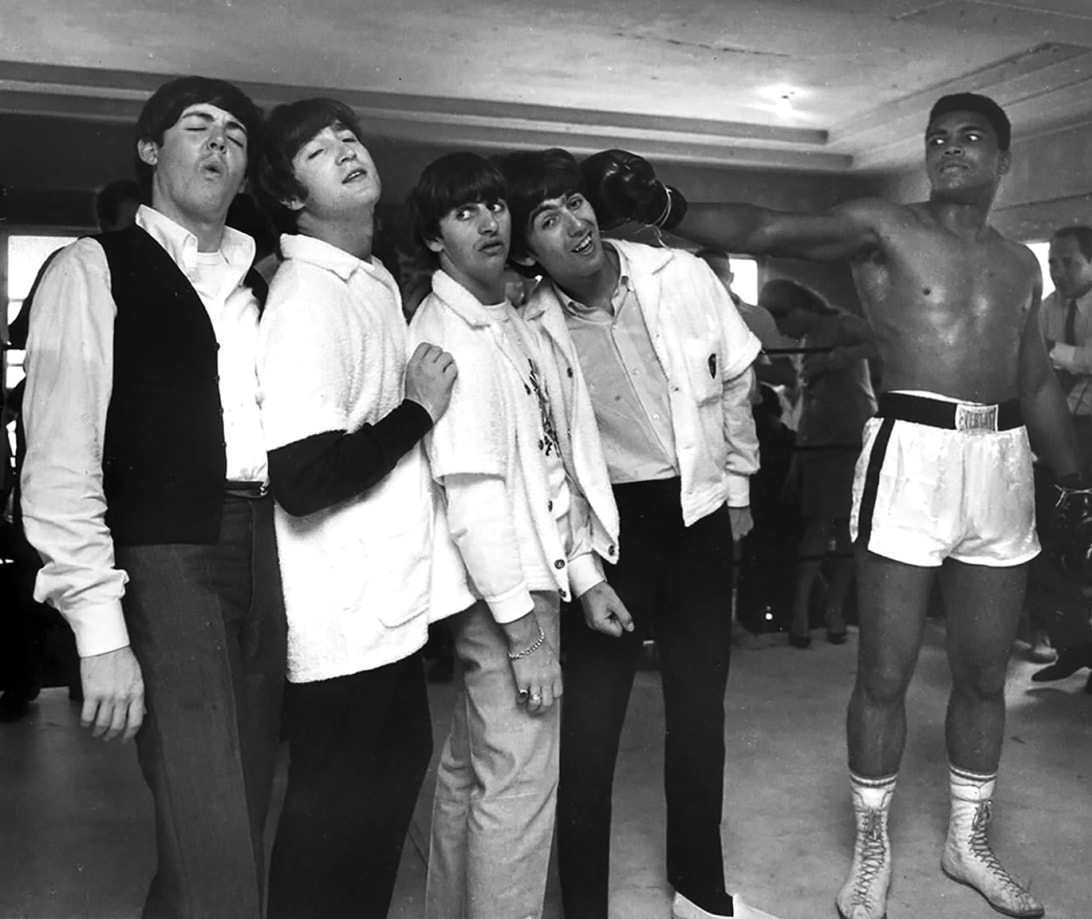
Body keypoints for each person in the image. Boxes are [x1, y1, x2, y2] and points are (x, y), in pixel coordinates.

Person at [577, 93, 1084, 919]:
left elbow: (1032, 380)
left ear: (1004, 160)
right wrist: (667, 206)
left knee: (985, 670)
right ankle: (871, 844)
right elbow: (770, 229)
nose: (950, 150)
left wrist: (1075, 478)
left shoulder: (1022, 267)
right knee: (883, 668)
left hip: (1000, 460)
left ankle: (967, 839)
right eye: (938, 139)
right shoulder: (885, 226)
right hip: (912, 451)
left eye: (972, 139)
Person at [20, 76, 287, 919]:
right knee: (211, 821)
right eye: (196, 126)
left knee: (232, 815)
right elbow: (59, 457)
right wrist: (100, 632)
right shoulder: (90, 267)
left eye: (235, 136)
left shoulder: (262, 283)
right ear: (149, 150)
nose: (218, 142)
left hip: (271, 544)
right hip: (166, 555)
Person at [500, 148, 777, 919]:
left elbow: (733, 380)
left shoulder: (679, 275)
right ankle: (583, 909)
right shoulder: (528, 325)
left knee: (700, 715)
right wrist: (584, 572)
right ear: (528, 250)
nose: (574, 224)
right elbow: (544, 461)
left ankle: (700, 893)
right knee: (589, 735)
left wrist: (738, 487)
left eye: (574, 203)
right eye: (547, 220)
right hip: (611, 531)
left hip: (695, 513)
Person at [253, 99, 472, 919]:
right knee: (333, 822)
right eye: (316, 151)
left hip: (386, 607)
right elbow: (305, 478)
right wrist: (417, 411)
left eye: (348, 137)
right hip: (339, 618)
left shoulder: (370, 276)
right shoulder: (308, 295)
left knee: (383, 794)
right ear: (288, 193)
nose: (344, 151)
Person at [407, 150, 624, 919]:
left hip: (531, 576)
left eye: (494, 206)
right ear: (434, 239)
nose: (488, 222)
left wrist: (586, 572)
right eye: (464, 213)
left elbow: (550, 457)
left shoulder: (511, 314)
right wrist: (528, 633)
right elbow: (473, 502)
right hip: (505, 592)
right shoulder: (450, 336)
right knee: (522, 787)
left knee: (473, 770)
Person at [759, 279, 877, 647]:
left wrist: (848, 355)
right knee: (816, 524)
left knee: (846, 528)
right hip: (818, 438)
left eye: (783, 324)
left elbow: (886, 340)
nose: (783, 333)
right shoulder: (807, 340)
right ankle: (801, 610)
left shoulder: (841, 325)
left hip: (850, 437)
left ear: (796, 310)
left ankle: (835, 609)